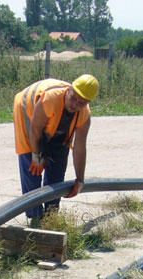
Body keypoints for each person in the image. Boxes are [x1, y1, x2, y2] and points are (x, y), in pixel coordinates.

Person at [13, 74, 99, 227]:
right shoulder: (50, 99)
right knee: (33, 167)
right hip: (27, 110)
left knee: (58, 162)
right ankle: (36, 218)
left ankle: (51, 215)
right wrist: (36, 156)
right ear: (69, 89)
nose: (75, 104)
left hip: (53, 119)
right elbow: (36, 129)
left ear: (88, 103)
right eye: (73, 98)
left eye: (81, 103)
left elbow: (79, 149)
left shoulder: (84, 115)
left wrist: (80, 180)